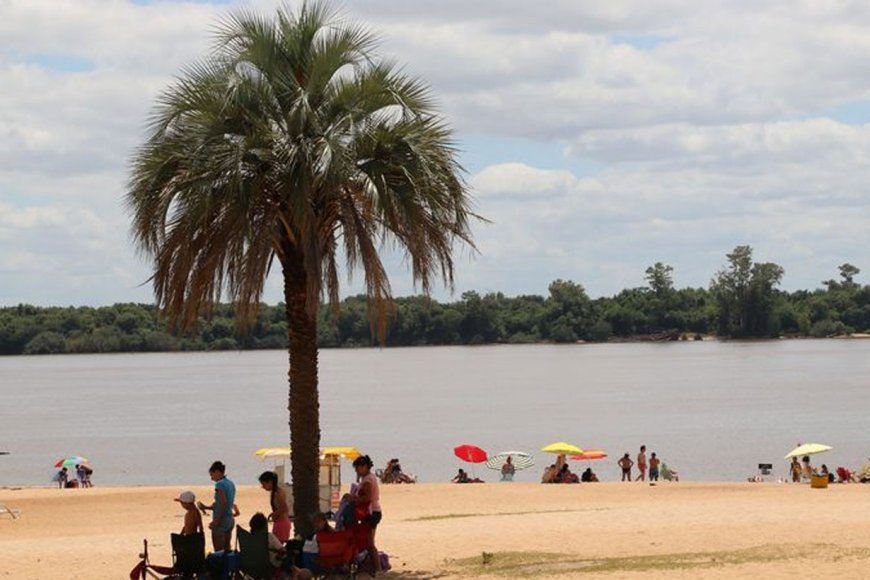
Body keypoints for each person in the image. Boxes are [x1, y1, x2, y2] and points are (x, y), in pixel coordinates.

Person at [352, 455, 381, 573]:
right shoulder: (370, 477)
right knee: (369, 542)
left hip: (371, 513)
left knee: (370, 543)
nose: (356, 471)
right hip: (373, 511)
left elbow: (367, 498)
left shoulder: (368, 480)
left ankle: (377, 568)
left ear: (364, 467)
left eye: (357, 468)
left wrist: (353, 498)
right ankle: (374, 567)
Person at [205, 460, 236, 552]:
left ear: (217, 472)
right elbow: (222, 503)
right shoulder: (230, 483)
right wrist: (206, 507)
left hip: (222, 520)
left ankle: (221, 566)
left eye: (212, 475)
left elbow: (223, 502)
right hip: (229, 519)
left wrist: (216, 521)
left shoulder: (219, 484)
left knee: (219, 551)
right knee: (227, 549)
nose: (211, 478)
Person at [258, 471, 292, 542]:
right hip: (279, 522)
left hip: (282, 524)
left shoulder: (278, 493)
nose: (263, 487)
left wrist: (272, 514)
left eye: (264, 484)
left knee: (277, 547)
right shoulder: (275, 492)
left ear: (270, 482)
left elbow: (284, 508)